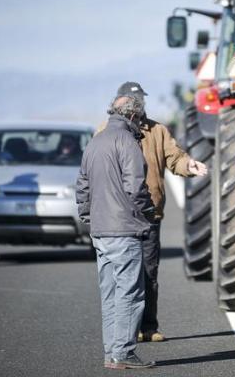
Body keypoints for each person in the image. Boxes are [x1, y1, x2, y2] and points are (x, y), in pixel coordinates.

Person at [98, 82, 208, 342]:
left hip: (150, 214)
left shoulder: (158, 131)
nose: (138, 103)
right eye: (133, 99)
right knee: (121, 275)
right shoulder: (104, 131)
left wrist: (188, 164)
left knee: (149, 272)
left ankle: (148, 326)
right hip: (119, 216)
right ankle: (125, 329)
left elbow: (174, 157)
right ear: (119, 102)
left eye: (140, 99)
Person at [77, 94, 156, 370]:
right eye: (141, 118)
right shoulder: (127, 142)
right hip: (124, 230)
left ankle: (112, 352)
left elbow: (83, 187)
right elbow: (136, 187)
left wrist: (89, 218)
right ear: (133, 116)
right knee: (131, 293)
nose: (141, 123)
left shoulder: (95, 142)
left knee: (109, 293)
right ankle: (123, 352)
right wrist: (148, 213)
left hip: (100, 231)